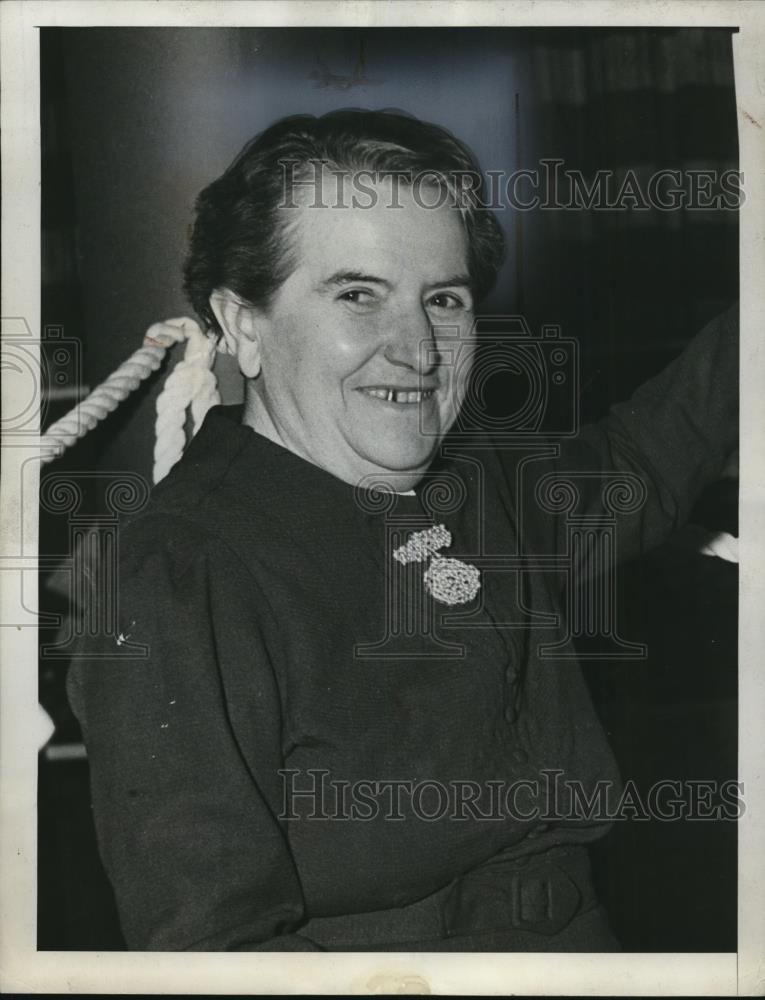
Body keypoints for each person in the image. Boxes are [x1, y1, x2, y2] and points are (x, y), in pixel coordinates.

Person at [66, 109, 738, 951]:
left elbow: (648, 457)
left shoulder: (474, 481)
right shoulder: (173, 573)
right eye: (358, 294)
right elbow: (214, 949)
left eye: (443, 299)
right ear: (243, 322)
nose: (417, 348)